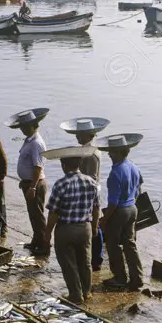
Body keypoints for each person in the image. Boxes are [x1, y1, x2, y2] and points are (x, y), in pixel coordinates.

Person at [42, 146, 100, 304]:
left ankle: (75, 294)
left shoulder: (61, 184)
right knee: (85, 261)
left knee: (68, 263)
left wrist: (47, 233)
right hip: (85, 227)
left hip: (66, 229)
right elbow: (96, 207)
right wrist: (95, 227)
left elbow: (53, 212)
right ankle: (86, 292)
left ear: (63, 165)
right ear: (80, 164)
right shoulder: (92, 182)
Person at [60, 116, 110, 271]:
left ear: (89, 135)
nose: (77, 136)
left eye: (80, 134)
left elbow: (93, 179)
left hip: (89, 193)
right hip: (87, 190)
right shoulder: (87, 150)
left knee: (94, 225)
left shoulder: (92, 153)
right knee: (91, 224)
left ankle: (97, 258)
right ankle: (93, 256)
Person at [96, 133, 144, 291]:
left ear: (118, 152)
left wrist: (104, 220)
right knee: (130, 243)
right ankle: (137, 277)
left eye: (111, 151)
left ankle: (120, 277)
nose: (109, 154)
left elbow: (113, 203)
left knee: (113, 245)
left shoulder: (115, 173)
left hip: (121, 211)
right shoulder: (133, 166)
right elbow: (139, 187)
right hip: (132, 208)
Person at [7, 108, 49, 256]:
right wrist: (24, 181)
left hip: (35, 184)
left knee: (38, 215)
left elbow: (38, 167)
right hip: (28, 182)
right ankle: (36, 241)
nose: (22, 130)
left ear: (33, 126)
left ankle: (45, 245)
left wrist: (32, 187)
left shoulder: (36, 143)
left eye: (24, 127)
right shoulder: (28, 140)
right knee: (33, 215)